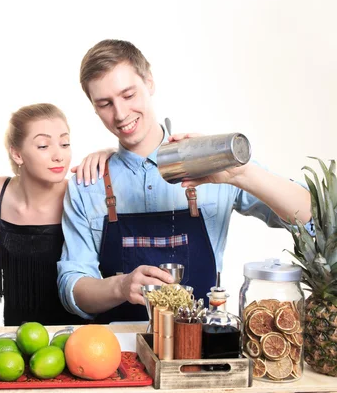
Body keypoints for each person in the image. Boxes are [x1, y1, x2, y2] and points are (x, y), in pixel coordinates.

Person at [57, 39, 312, 323]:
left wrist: (241, 173)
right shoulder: (87, 184)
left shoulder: (212, 162)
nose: (120, 114)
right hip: (116, 355)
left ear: (149, 82)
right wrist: (120, 286)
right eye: (105, 104)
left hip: (201, 349)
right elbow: (72, 286)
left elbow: (308, 218)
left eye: (128, 95)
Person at [0, 103, 110, 326]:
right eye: (43, 146)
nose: (59, 156)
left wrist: (110, 154)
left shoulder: (82, 194)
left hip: (83, 341)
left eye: (65, 143)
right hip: (17, 341)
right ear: (17, 154)